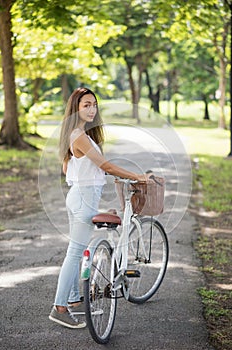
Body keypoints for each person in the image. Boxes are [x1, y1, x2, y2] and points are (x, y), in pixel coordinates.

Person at [49, 87, 149, 329]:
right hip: (82, 199)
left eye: (94, 104)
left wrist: (98, 171)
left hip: (78, 197)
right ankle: (59, 307)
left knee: (76, 250)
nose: (92, 109)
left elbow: (70, 169)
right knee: (75, 253)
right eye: (86, 105)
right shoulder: (79, 136)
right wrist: (137, 176)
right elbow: (104, 164)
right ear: (76, 108)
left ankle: (73, 300)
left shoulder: (76, 134)